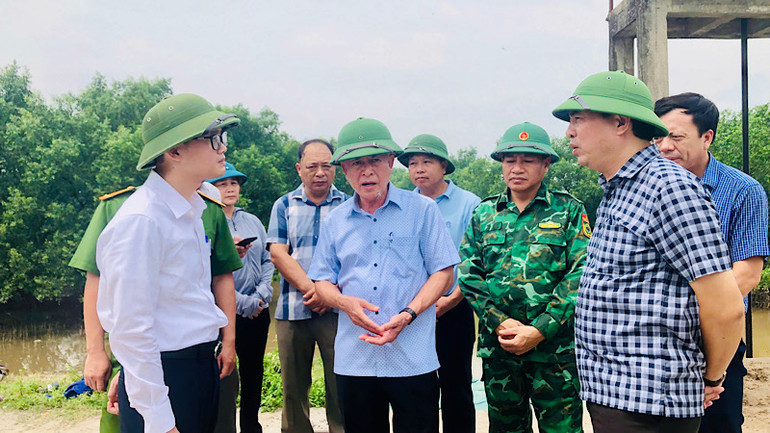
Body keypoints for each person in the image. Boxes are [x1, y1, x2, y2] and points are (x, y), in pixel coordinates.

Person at [552, 71, 745, 432]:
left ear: (621, 123)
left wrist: (711, 377)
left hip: (651, 405)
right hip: (617, 396)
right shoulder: (620, 189)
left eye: (578, 119)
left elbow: (726, 306)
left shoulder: (668, 188)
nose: (569, 132)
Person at [95, 93, 241, 433]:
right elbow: (130, 326)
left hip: (195, 368)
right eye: (213, 138)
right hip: (170, 374)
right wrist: (155, 413)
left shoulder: (191, 208)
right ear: (174, 152)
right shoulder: (143, 220)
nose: (223, 148)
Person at [307, 117, 459, 433]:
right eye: (356, 163)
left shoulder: (422, 210)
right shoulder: (335, 221)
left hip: (413, 355)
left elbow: (442, 273)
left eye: (375, 160)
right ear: (343, 170)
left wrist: (409, 314)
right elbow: (321, 279)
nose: (367, 171)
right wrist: (343, 302)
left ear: (391, 162)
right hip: (355, 358)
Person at [69, 179, 241, 433]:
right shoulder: (125, 209)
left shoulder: (206, 209)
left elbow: (221, 275)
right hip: (141, 350)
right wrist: (95, 350)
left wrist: (228, 341)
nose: (221, 148)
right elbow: (97, 280)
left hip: (196, 354)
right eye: (209, 140)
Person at [457, 122, 587, 433]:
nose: (517, 168)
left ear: (545, 165)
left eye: (528, 160)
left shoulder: (568, 210)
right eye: (509, 160)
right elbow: (468, 273)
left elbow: (581, 271)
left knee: (563, 430)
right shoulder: (484, 213)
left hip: (554, 353)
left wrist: (541, 329)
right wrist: (499, 321)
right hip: (500, 347)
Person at [654, 92, 769, 433]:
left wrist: (686, 309)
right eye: (658, 136)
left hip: (715, 337)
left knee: (717, 425)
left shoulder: (741, 191)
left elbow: (747, 273)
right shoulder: (645, 189)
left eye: (676, 137)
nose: (664, 146)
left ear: (707, 137)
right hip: (653, 340)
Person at [397, 134, 480, 433]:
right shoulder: (404, 205)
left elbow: (474, 260)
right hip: (414, 311)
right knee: (419, 387)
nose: (419, 169)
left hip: (453, 307)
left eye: (427, 162)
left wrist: (451, 299)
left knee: (456, 384)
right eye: (413, 163)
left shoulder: (468, 203)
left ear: (443, 166)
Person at [266, 139, 347, 433]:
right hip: (291, 309)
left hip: (337, 310)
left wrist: (330, 293)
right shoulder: (284, 204)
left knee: (341, 380)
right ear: (300, 169)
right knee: (293, 386)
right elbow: (278, 252)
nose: (320, 172)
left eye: (327, 165)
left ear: (335, 168)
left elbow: (354, 257)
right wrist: (313, 290)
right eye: (312, 166)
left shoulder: (349, 206)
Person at [209, 163, 274, 433]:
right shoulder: (208, 220)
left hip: (258, 310)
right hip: (223, 313)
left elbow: (268, 259)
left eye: (234, 183)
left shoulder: (252, 220)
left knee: (253, 373)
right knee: (223, 374)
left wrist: (262, 294)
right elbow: (209, 273)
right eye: (223, 183)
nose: (230, 188)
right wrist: (241, 302)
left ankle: (251, 427)